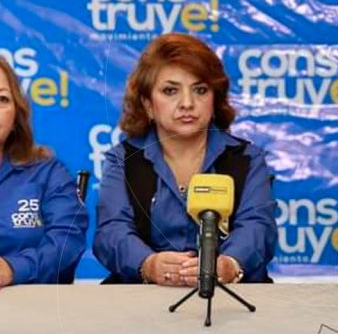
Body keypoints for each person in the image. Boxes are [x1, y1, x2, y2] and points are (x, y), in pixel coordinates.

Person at [94, 33, 276, 284]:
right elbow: (112, 231)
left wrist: (230, 264)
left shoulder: (246, 158)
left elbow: (258, 227)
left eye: (200, 90)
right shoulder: (123, 159)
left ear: (214, 99)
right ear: (147, 104)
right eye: (170, 91)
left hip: (229, 296)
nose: (187, 103)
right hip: (143, 296)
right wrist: (147, 265)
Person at [0, 56, 87, 286]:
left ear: (16, 114)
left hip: (32, 303)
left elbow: (68, 242)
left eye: (2, 99)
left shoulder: (48, 173)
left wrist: (12, 269)